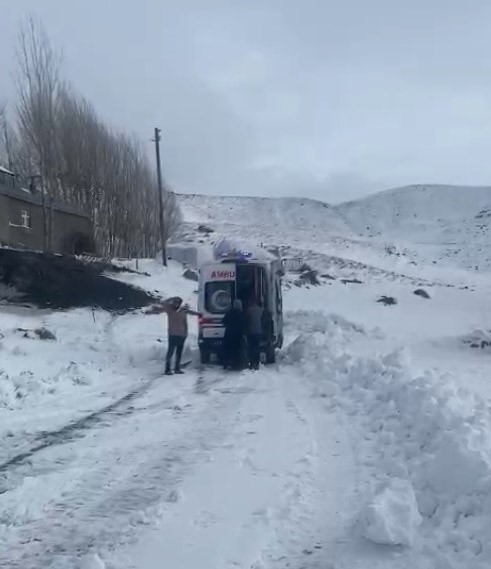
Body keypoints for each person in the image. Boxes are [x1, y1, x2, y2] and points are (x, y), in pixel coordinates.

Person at [145, 296, 198, 375]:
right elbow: (163, 303)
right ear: (173, 303)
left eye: (178, 302)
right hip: (172, 334)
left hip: (182, 335)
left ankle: (177, 368)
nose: (176, 304)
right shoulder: (169, 309)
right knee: (170, 352)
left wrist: (185, 333)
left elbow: (187, 321)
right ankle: (167, 369)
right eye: (175, 302)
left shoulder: (183, 311)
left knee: (179, 353)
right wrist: (172, 298)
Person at [222, 299, 247, 370]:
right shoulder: (241, 314)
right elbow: (244, 324)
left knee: (228, 348)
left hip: (229, 334)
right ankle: (236, 363)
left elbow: (224, 321)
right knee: (237, 349)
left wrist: (228, 326)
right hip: (238, 335)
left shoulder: (229, 313)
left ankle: (226, 363)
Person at [245, 297, 264, 370]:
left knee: (250, 347)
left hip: (250, 332)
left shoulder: (248, 310)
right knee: (257, 347)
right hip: (258, 331)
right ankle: (257, 362)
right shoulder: (261, 310)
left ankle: (251, 362)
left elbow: (246, 320)